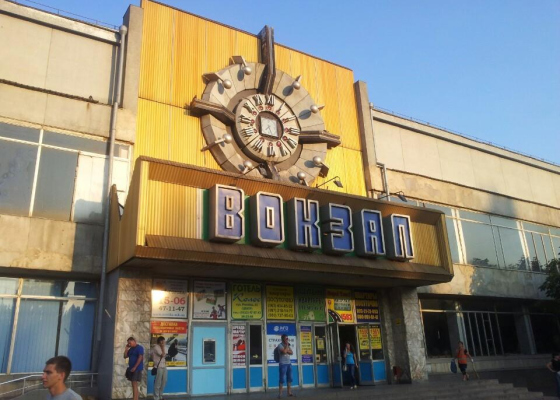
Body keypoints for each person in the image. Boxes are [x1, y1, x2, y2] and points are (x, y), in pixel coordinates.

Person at [151, 336, 167, 400]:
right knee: (158, 383)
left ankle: (160, 396)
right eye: (163, 341)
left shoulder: (164, 347)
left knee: (164, 382)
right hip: (158, 367)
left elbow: (166, 353)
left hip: (164, 366)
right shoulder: (156, 347)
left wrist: (163, 347)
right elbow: (162, 354)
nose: (164, 342)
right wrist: (162, 347)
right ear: (160, 341)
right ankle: (156, 397)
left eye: (164, 341)